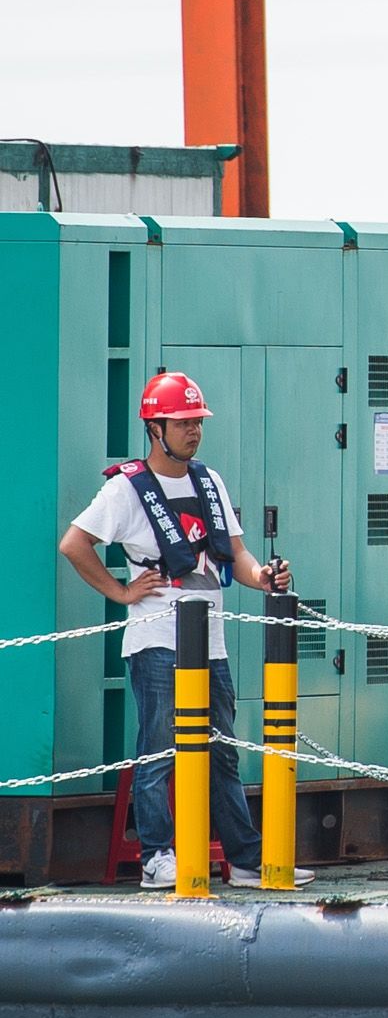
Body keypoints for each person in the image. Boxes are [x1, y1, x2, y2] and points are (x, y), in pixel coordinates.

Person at [57, 371, 312, 890]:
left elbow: (234, 554)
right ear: (156, 428)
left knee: (222, 750)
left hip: (210, 643)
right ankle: (157, 857)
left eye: (198, 421)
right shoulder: (124, 489)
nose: (194, 430)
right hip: (156, 641)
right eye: (183, 422)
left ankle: (245, 860)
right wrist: (122, 593)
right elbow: (74, 544)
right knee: (158, 749)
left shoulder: (209, 481)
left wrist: (263, 579)